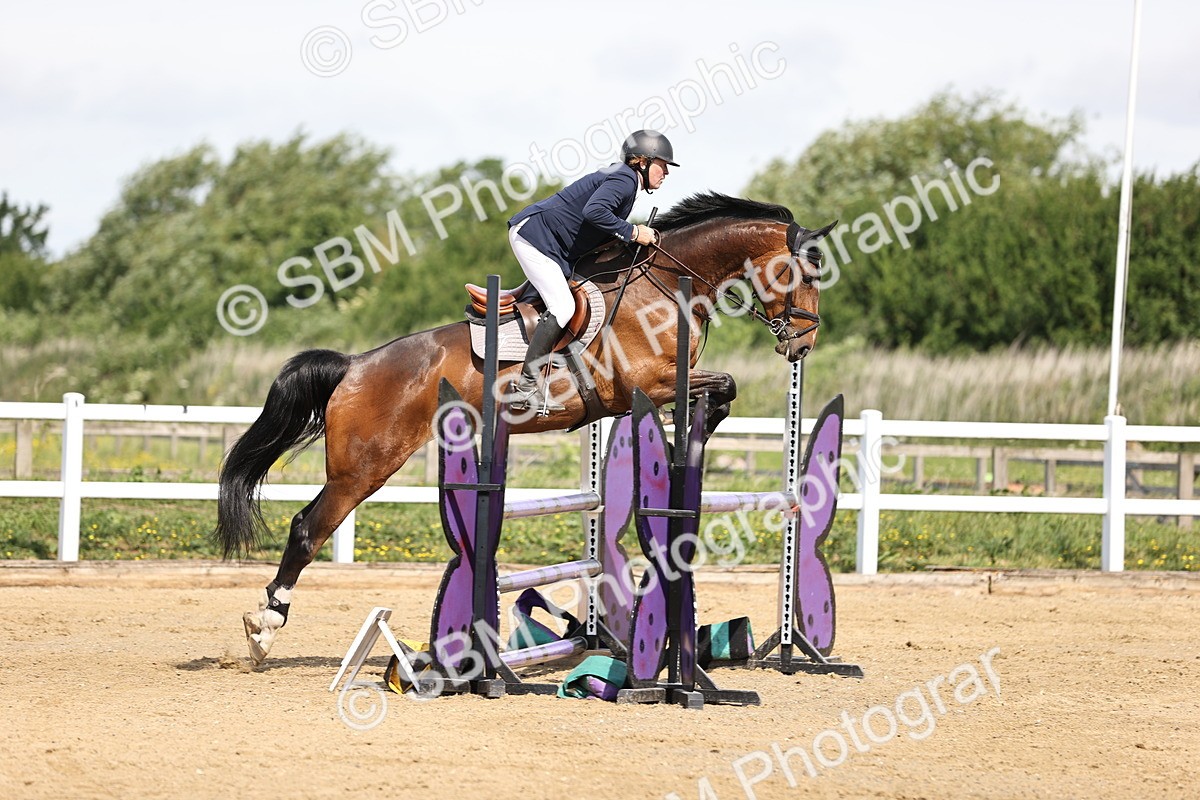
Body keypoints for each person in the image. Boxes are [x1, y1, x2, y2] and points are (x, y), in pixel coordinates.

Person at [506, 129, 678, 411]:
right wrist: (633, 232)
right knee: (562, 308)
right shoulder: (624, 179)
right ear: (643, 162)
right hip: (535, 237)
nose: (667, 172)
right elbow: (594, 212)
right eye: (663, 164)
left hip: (552, 244)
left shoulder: (626, 181)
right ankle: (525, 387)